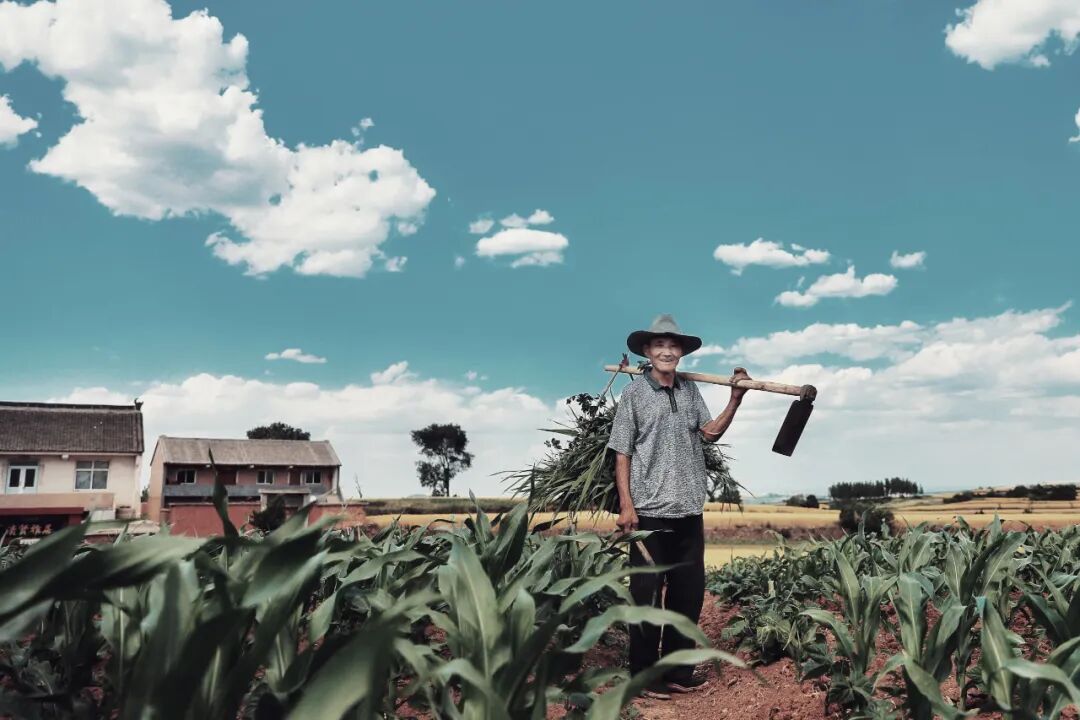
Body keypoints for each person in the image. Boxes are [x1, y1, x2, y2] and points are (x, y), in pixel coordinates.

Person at [607, 314, 750, 699]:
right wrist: (627, 506)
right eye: (659, 345)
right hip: (649, 512)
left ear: (681, 352)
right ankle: (643, 676)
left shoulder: (689, 391)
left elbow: (710, 433)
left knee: (688, 595)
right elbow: (622, 451)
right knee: (647, 596)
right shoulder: (635, 395)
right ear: (648, 351)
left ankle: (677, 671)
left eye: (673, 345)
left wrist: (735, 398)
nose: (667, 351)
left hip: (689, 510)